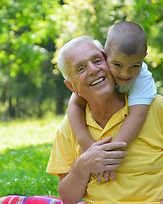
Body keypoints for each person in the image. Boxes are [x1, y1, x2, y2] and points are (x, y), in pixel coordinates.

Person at [46, 36, 163, 204]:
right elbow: (69, 198)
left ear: (110, 62)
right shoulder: (70, 126)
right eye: (81, 68)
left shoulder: (155, 107)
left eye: (97, 60)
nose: (93, 70)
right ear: (71, 86)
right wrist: (83, 165)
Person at [66, 22, 156, 183]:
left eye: (135, 66)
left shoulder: (142, 79)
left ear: (144, 57)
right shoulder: (100, 71)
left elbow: (137, 116)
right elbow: (74, 105)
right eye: (117, 65)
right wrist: (87, 145)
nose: (125, 73)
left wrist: (108, 158)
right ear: (105, 54)